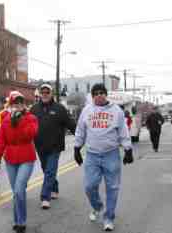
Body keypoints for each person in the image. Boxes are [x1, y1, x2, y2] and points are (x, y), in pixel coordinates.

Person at [74, 83, 133, 231]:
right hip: (92, 155)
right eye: (96, 93)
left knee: (112, 188)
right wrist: (76, 148)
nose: (99, 95)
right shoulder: (87, 111)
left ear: (106, 95)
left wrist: (128, 150)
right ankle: (97, 206)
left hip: (111, 154)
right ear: (92, 96)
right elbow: (81, 130)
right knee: (89, 186)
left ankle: (108, 218)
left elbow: (123, 131)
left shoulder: (116, 111)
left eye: (102, 93)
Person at [0, 91, 38, 233]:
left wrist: (20, 120)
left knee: (19, 189)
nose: (18, 106)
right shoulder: (5, 119)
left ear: (24, 104)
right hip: (11, 159)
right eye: (15, 103)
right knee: (17, 192)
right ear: (11, 105)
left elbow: (30, 134)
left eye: (20, 103)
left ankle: (22, 222)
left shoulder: (31, 118)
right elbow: (1, 141)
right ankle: (17, 220)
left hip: (26, 157)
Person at [30, 83, 76, 209]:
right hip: (40, 146)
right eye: (42, 92)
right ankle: (54, 187)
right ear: (40, 94)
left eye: (47, 92)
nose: (45, 94)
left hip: (55, 146)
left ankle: (45, 197)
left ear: (51, 94)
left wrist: (81, 136)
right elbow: (27, 126)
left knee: (50, 171)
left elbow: (71, 124)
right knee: (47, 170)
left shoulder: (60, 108)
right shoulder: (33, 109)